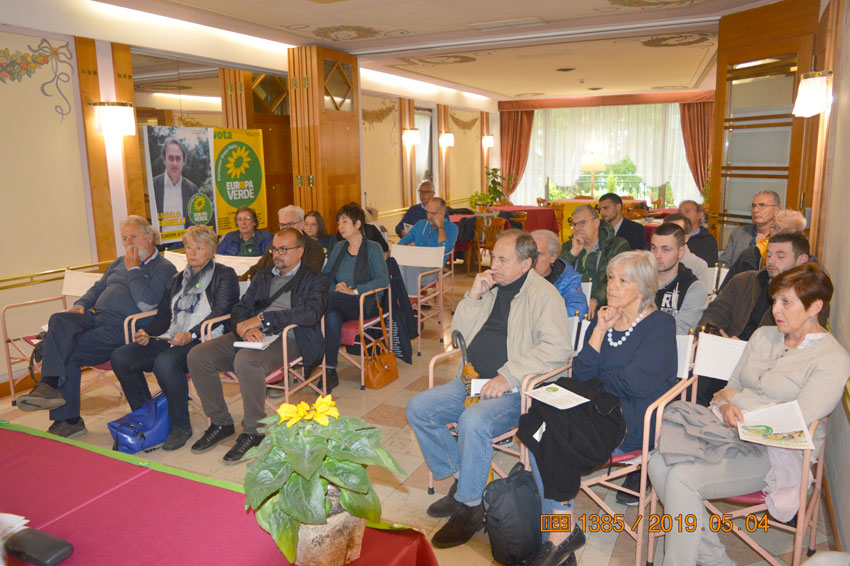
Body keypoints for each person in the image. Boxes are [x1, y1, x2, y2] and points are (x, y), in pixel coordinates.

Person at [648, 263, 849, 566]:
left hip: (778, 450)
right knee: (657, 462)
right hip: (727, 430)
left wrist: (737, 401)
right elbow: (729, 387)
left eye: (786, 302)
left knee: (681, 478)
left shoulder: (832, 358)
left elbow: (796, 418)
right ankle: (716, 559)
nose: (775, 309)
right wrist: (728, 405)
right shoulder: (764, 335)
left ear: (815, 306)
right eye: (775, 300)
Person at [406, 230, 571, 549]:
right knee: (419, 408)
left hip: (516, 392)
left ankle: (470, 507)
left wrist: (509, 376)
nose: (493, 265)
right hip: (471, 382)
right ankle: (463, 483)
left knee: (474, 421)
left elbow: (558, 349)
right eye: (493, 257)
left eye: (502, 260)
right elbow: (458, 335)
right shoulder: (490, 287)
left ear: (525, 264)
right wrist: (473, 297)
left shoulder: (544, 295)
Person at [524, 251, 677, 566]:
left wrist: (596, 384)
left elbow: (635, 383)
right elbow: (581, 372)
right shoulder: (604, 317)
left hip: (631, 417)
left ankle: (558, 535)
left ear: (644, 287)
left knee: (550, 433)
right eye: (610, 278)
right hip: (594, 408)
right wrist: (598, 331)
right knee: (534, 423)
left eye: (623, 280)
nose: (612, 286)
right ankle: (560, 533)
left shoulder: (660, 325)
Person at [16, 216, 176, 438]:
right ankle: (49, 387)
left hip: (123, 327)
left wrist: (134, 270)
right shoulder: (118, 262)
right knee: (59, 319)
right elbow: (97, 288)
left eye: (134, 236)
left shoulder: (164, 268)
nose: (129, 243)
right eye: (124, 238)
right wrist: (81, 305)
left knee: (67, 352)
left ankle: (68, 418)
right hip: (94, 317)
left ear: (150, 236)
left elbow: (147, 304)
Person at [186, 228, 328, 462]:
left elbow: (311, 313)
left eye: (284, 249)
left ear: (300, 252)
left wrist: (264, 319)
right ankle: (221, 423)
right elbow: (240, 307)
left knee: (246, 361)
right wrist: (245, 327)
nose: (277, 254)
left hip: (290, 338)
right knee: (198, 355)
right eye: (274, 249)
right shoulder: (263, 276)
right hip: (253, 335)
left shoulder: (315, 279)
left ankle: (254, 432)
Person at [110, 226, 239, 450]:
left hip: (205, 338)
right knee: (122, 357)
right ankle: (149, 416)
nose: (192, 252)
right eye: (188, 247)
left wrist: (192, 334)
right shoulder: (177, 279)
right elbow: (164, 316)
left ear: (211, 250)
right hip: (172, 337)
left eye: (199, 248)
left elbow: (222, 311)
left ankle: (180, 426)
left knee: (166, 362)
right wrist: (148, 333)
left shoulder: (224, 274)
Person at [697, 231, 811, 405]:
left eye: (780, 256)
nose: (771, 261)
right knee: (697, 384)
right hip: (722, 359)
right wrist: (718, 339)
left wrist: (742, 349)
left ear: (801, 260)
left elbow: (792, 346)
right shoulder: (743, 281)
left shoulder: (808, 301)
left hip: (763, 376)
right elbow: (713, 316)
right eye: (769, 255)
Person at [322, 203, 389, 390]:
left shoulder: (373, 248)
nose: (340, 227)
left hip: (365, 302)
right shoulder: (339, 247)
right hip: (338, 301)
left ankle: (305, 321)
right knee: (331, 317)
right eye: (338, 223)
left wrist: (354, 291)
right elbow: (326, 276)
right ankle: (329, 370)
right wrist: (338, 287)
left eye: (344, 222)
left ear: (358, 224)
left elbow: (383, 280)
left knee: (324, 302)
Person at [560, 204, 630, 318]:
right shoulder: (569, 247)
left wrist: (595, 299)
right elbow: (557, 278)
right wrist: (572, 254)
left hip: (603, 306)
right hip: (571, 304)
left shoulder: (617, 246)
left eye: (582, 223)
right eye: (574, 224)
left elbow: (617, 281)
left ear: (596, 222)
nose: (577, 229)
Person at [722, 209, 807, 287]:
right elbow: (726, 290)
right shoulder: (751, 255)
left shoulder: (808, 265)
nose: (778, 233)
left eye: (787, 231)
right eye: (775, 227)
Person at [651, 224, 708, 335]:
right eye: (654, 248)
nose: (657, 255)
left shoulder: (693, 288)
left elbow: (680, 332)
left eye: (666, 249)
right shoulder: (639, 279)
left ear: (681, 252)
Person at [242, 205, 325, 280]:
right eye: (282, 225)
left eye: (290, 224)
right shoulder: (275, 245)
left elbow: (308, 279)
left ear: (302, 224)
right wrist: (240, 281)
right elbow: (258, 268)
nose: (286, 228)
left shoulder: (314, 249)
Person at [397, 197, 458, 296]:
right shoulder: (420, 224)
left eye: (433, 213)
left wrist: (441, 227)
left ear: (442, 213)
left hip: (433, 270)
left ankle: (410, 300)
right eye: (427, 212)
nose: (429, 216)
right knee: (397, 268)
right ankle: (410, 300)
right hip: (414, 265)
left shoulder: (452, 228)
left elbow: (444, 250)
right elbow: (401, 244)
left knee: (406, 268)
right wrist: (409, 246)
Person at [530, 229, 587, 318]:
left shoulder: (568, 278)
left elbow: (578, 310)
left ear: (553, 257)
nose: (531, 260)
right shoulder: (516, 273)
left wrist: (543, 316)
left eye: (538, 254)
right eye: (528, 253)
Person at [718, 191, 780, 267]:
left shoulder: (782, 237)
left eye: (762, 205)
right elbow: (723, 263)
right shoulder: (739, 233)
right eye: (753, 206)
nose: (755, 210)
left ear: (776, 210)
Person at [152, 137, 200, 230]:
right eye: (170, 158)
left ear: (183, 162)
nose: (174, 164)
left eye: (178, 159)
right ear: (164, 160)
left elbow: (195, 223)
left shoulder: (192, 189)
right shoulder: (153, 186)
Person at [662, 212, 708, 281]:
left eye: (676, 233)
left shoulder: (698, 266)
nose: (669, 236)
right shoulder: (653, 261)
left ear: (686, 238)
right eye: (665, 231)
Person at [678, 200, 718, 266]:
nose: (682, 215)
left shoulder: (708, 240)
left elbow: (707, 266)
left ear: (699, 215)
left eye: (687, 211)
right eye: (679, 212)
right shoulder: (673, 236)